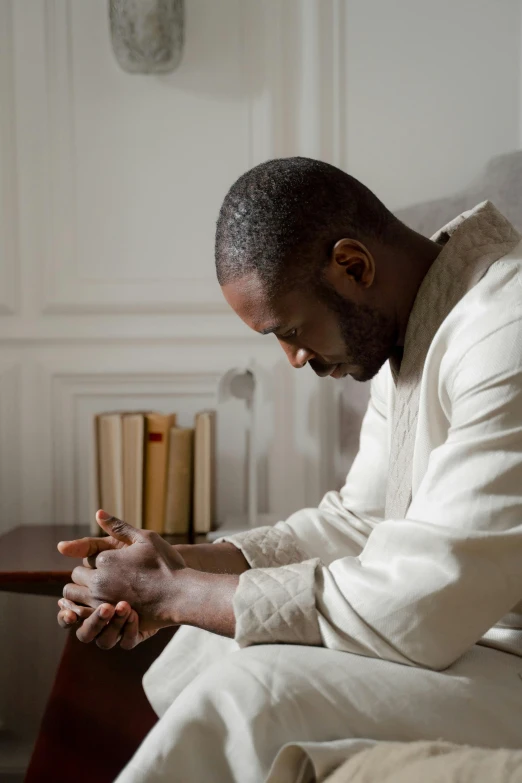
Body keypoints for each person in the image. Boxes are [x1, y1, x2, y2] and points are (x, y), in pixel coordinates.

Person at [56, 157, 522, 783]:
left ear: (352, 266)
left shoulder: (506, 327)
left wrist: (175, 593)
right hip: (468, 642)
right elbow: (359, 522)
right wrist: (172, 565)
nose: (294, 358)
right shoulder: (420, 329)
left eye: (292, 329)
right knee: (208, 642)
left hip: (503, 658)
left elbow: (426, 599)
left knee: (253, 693)